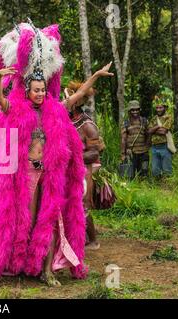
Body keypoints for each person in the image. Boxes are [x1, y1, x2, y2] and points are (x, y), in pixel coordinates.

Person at [0, 23, 87, 286]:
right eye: (36, 90)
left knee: (50, 219)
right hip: (27, 173)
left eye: (43, 89)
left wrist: (94, 77)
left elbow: (77, 98)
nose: (40, 93)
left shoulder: (55, 109)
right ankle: (21, 265)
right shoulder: (16, 108)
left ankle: (46, 270)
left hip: (49, 173)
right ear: (28, 90)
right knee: (25, 218)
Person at [64, 63, 114, 251]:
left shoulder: (87, 125)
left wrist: (72, 157)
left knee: (82, 203)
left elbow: (94, 153)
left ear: (76, 102)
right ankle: (74, 237)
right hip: (70, 166)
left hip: (86, 167)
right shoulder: (66, 120)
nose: (65, 100)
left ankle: (93, 240)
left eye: (68, 98)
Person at [121, 100, 150, 178]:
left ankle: (144, 188)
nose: (135, 112)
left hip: (143, 152)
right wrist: (123, 154)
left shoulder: (144, 121)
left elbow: (148, 134)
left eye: (137, 109)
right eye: (133, 110)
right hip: (131, 152)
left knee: (144, 174)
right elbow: (123, 139)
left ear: (139, 110)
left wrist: (147, 147)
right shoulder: (126, 123)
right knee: (131, 174)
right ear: (129, 111)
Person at [148, 101, 174, 177]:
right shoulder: (154, 118)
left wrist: (153, 130)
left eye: (160, 107)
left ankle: (167, 187)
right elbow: (149, 131)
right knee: (155, 170)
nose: (158, 110)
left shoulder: (168, 117)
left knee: (167, 170)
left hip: (165, 146)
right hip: (154, 147)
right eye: (157, 108)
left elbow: (163, 131)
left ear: (165, 108)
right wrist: (158, 126)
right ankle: (157, 186)